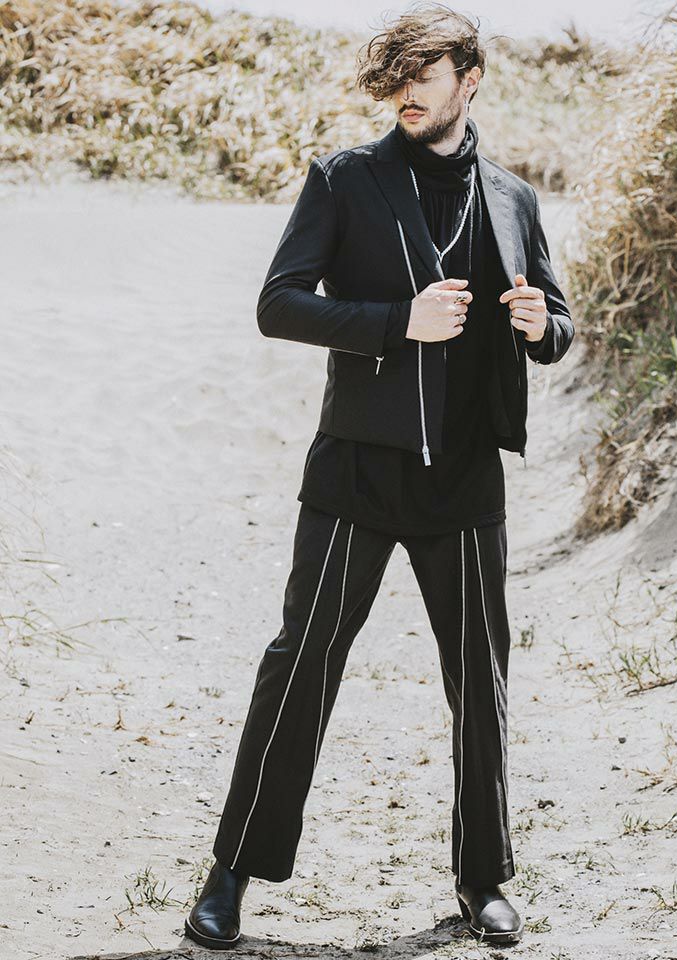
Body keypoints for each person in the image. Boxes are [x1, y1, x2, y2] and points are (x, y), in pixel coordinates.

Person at [184, 1, 575, 949]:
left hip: (465, 480)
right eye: (397, 76)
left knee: (480, 681)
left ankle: (483, 879)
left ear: (469, 81)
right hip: (356, 470)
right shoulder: (346, 179)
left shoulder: (514, 198)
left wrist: (543, 328)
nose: (407, 92)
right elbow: (279, 304)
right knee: (300, 664)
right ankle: (231, 873)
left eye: (425, 75)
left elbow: (558, 321)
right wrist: (396, 322)